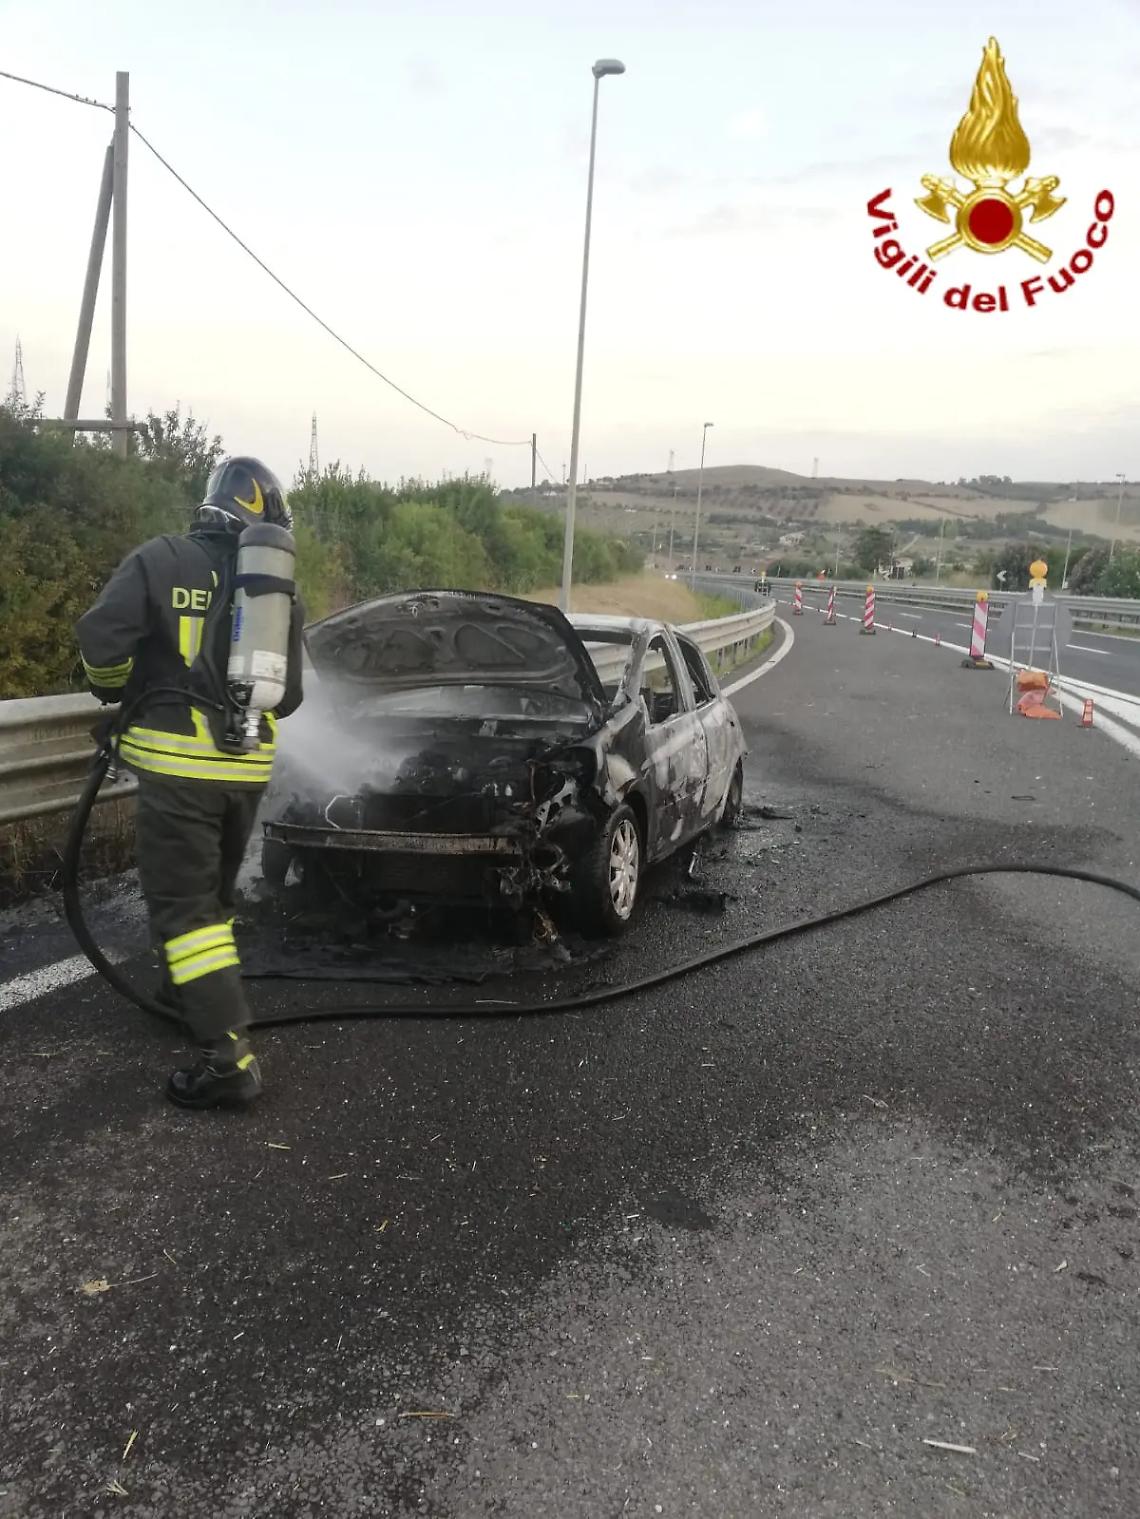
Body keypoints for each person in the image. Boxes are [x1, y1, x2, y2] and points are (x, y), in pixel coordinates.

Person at [76, 457, 305, 1110]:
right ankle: (190, 995)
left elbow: (100, 640)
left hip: (178, 771)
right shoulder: (274, 586)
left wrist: (116, 687)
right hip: (245, 771)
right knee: (209, 900)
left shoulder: (160, 558)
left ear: (211, 503)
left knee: (187, 913)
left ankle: (227, 1062)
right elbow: (285, 696)